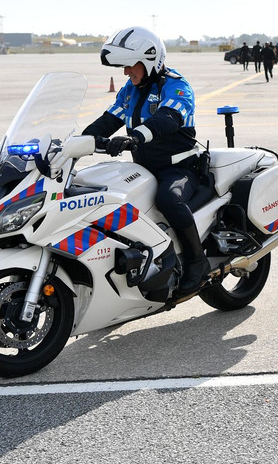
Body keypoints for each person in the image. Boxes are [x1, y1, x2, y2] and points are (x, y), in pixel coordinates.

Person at [82, 26, 212, 296]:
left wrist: (135, 138)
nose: (126, 72)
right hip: (143, 169)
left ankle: (197, 261)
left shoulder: (176, 85)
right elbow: (108, 120)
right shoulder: (130, 90)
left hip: (179, 167)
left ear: (150, 60)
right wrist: (76, 143)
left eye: (130, 66)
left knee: (168, 199)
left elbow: (167, 118)